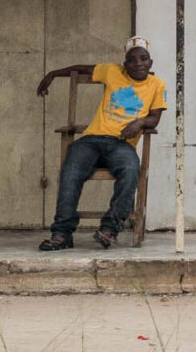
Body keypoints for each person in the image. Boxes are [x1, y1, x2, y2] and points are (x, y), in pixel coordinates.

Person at [36, 37, 166, 250]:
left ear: (150, 63)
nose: (138, 63)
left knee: (131, 169)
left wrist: (140, 122)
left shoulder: (157, 85)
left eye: (143, 59)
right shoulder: (112, 71)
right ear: (125, 64)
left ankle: (109, 229)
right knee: (70, 172)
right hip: (92, 140)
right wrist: (53, 74)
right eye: (132, 60)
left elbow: (155, 118)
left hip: (122, 144)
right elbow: (80, 68)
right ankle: (62, 233)